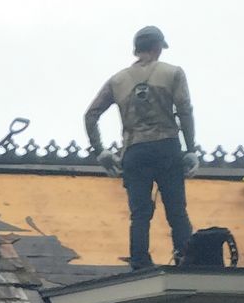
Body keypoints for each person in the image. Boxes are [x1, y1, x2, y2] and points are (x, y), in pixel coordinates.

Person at [84, 27, 199, 270]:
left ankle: (139, 261)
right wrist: (190, 149)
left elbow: (91, 115)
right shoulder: (173, 73)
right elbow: (185, 111)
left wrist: (101, 151)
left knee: (140, 213)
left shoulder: (117, 80)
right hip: (167, 146)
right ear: (158, 47)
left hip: (134, 151)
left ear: (137, 49)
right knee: (176, 210)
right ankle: (186, 259)